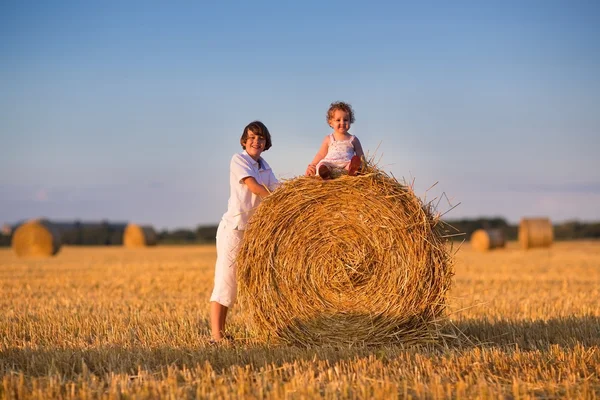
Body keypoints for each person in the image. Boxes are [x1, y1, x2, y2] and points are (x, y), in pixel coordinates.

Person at [209, 120, 278, 343]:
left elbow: (279, 189)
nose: (256, 142)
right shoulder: (238, 160)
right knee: (226, 282)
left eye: (260, 138)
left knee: (258, 282)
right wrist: (280, 203)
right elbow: (254, 187)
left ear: (266, 142)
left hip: (254, 233)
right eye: (252, 138)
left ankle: (270, 329)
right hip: (234, 230)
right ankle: (217, 336)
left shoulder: (265, 167)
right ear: (244, 141)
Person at [305, 101, 365, 179]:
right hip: (330, 163)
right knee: (322, 165)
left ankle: (351, 170)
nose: (342, 122)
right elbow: (321, 154)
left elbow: (361, 156)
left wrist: (363, 167)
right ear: (331, 122)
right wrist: (313, 165)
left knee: (352, 164)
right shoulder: (328, 138)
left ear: (350, 121)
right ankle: (325, 173)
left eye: (346, 120)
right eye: (338, 120)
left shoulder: (353, 139)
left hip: (346, 163)